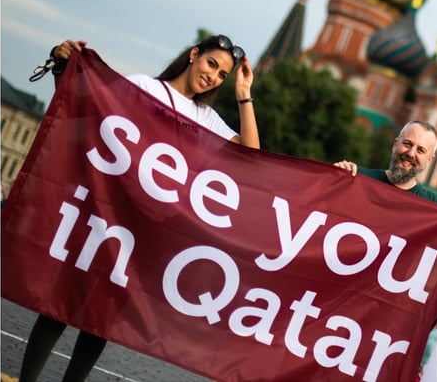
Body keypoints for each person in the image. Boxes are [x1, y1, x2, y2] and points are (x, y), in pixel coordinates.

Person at [19, 34, 260, 382]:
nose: (213, 76)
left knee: (99, 321)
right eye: (211, 64)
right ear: (194, 55)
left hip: (142, 233)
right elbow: (83, 109)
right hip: (103, 215)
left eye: (222, 74)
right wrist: (65, 62)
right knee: (60, 304)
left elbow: (251, 156)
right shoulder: (143, 87)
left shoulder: (205, 118)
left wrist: (243, 94)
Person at [333, 120, 437, 206]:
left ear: (430, 159)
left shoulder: (433, 205)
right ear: (395, 144)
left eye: (420, 150)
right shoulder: (357, 178)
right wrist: (336, 176)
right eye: (407, 144)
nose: (411, 153)